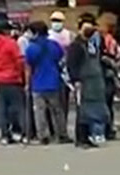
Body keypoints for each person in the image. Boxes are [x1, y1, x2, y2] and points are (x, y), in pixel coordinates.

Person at [66, 16, 110, 149]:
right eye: (87, 28)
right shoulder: (76, 46)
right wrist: (76, 81)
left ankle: (87, 137)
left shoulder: (91, 44)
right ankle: (80, 138)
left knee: (92, 111)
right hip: (83, 82)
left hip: (95, 83)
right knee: (82, 111)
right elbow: (71, 64)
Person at [25, 21, 69, 145]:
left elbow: (29, 64)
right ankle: (62, 134)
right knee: (57, 110)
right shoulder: (54, 45)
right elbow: (60, 58)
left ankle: (43, 136)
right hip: (54, 81)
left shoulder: (32, 48)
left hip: (38, 83)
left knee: (39, 111)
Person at [0, 25, 25, 145]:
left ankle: (4, 135)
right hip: (13, 79)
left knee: (1, 109)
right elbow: (19, 61)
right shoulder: (11, 44)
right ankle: (22, 133)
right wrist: (21, 75)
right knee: (19, 108)